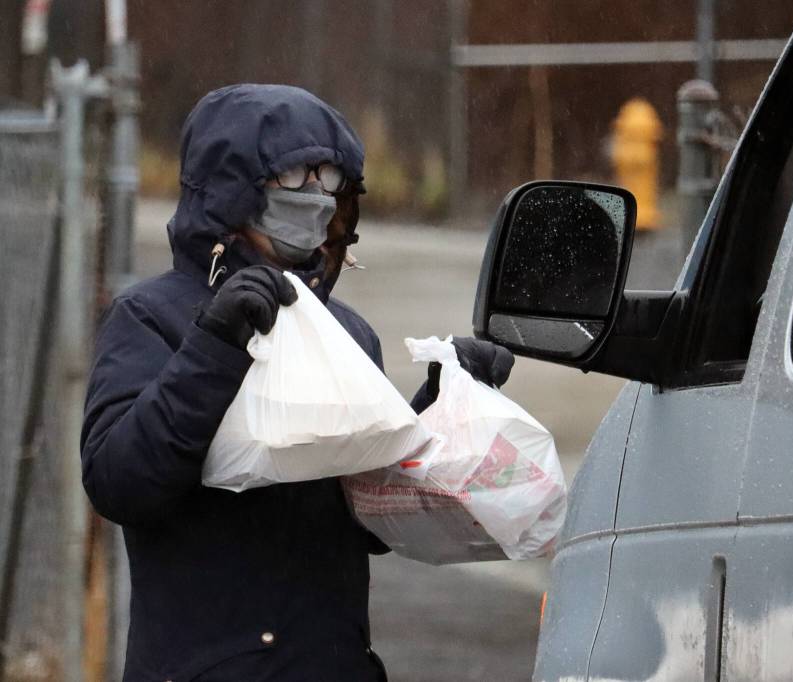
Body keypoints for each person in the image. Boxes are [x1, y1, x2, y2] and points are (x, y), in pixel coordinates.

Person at [80, 84, 514, 681]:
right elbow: (119, 483)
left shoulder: (347, 332)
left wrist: (439, 408)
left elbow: (371, 521)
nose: (316, 197)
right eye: (295, 176)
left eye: (328, 178)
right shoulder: (150, 316)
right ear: (234, 186)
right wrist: (215, 344)